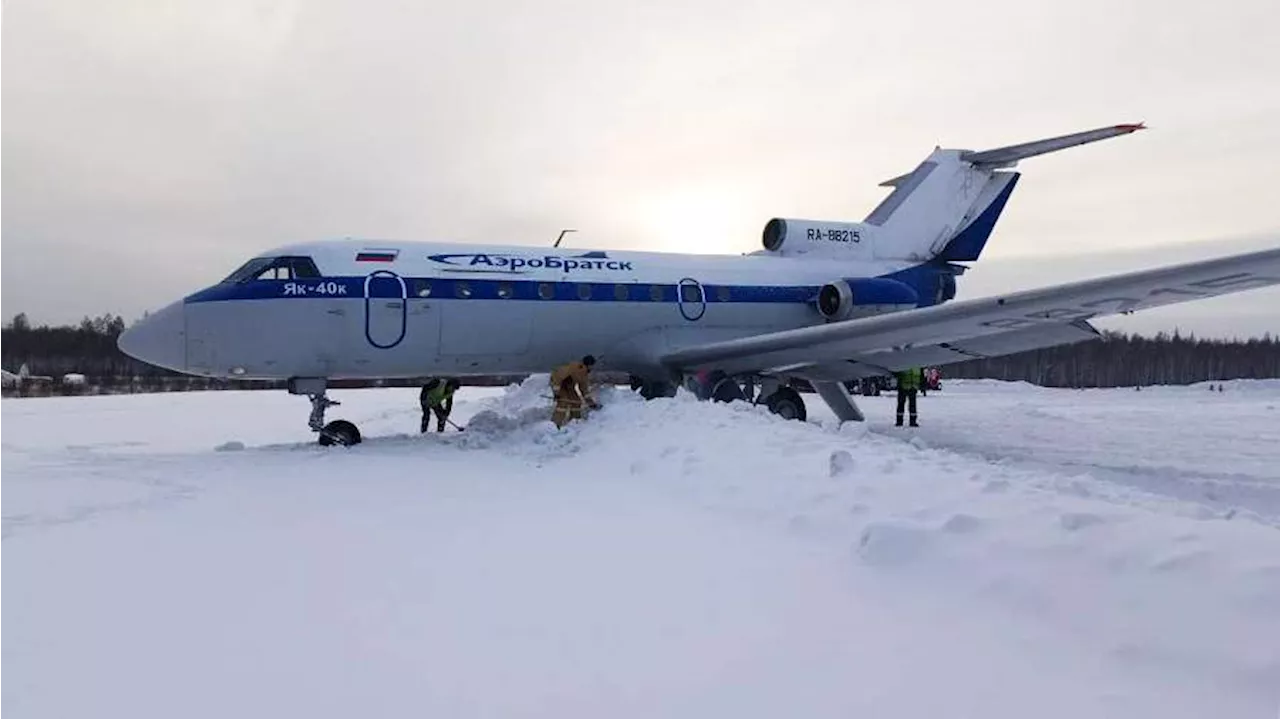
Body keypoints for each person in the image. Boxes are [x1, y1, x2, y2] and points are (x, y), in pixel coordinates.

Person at [549, 355, 599, 428]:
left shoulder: (584, 374)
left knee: (576, 400)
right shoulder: (574, 367)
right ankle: (555, 424)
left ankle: (575, 422)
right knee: (563, 402)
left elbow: (584, 390)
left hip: (569, 385)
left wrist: (591, 403)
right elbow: (558, 377)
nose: (593, 367)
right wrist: (557, 393)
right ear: (588, 364)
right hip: (559, 383)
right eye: (592, 365)